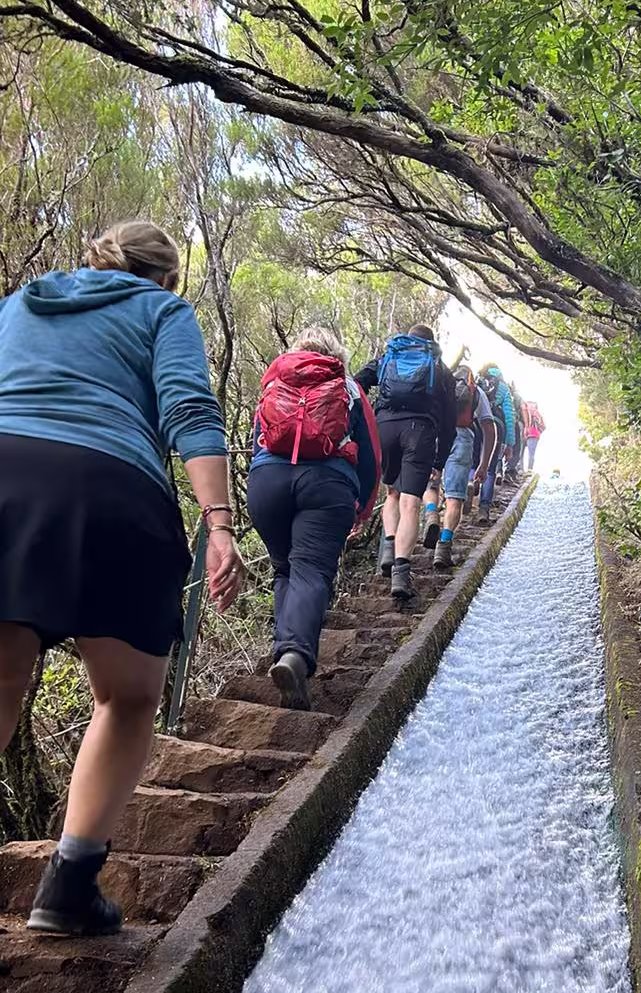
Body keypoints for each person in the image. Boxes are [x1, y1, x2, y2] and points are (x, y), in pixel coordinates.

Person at [0, 220, 243, 937]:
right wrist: (220, 523)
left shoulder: (19, 302)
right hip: (108, 488)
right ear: (165, 277)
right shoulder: (163, 311)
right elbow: (189, 410)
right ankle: (69, 885)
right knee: (129, 696)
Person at [247, 327, 381, 712]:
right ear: (337, 354)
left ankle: (286, 651)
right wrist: (363, 506)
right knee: (311, 571)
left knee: (284, 569)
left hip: (267, 482)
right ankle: (294, 656)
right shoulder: (350, 388)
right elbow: (371, 456)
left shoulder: (276, 378)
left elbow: (259, 435)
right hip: (327, 485)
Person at [354, 324, 456, 606]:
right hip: (420, 431)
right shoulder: (440, 368)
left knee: (392, 493)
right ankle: (401, 573)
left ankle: (388, 545)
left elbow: (357, 381)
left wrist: (364, 420)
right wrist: (440, 459)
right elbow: (449, 423)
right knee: (411, 504)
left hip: (384, 427)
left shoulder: (388, 357)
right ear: (431, 343)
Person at [423, 362, 498, 571]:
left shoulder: (439, 383)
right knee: (455, 497)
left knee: (431, 485)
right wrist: (483, 464)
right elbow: (489, 428)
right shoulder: (477, 391)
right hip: (462, 437)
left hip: (435, 435)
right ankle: (444, 547)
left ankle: (431, 514)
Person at [475, 363, 516, 523]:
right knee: (490, 470)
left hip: (476, 424)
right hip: (496, 427)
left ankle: (471, 485)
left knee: (473, 463)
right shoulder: (504, 388)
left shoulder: (477, 381)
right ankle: (483, 509)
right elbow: (509, 416)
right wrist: (510, 443)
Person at [523, 400, 545, 471]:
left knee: (522, 453)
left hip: (528, 434)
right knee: (529, 453)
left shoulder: (526, 411)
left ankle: (523, 469)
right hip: (532, 434)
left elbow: (543, 426)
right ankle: (528, 469)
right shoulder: (537, 414)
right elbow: (543, 426)